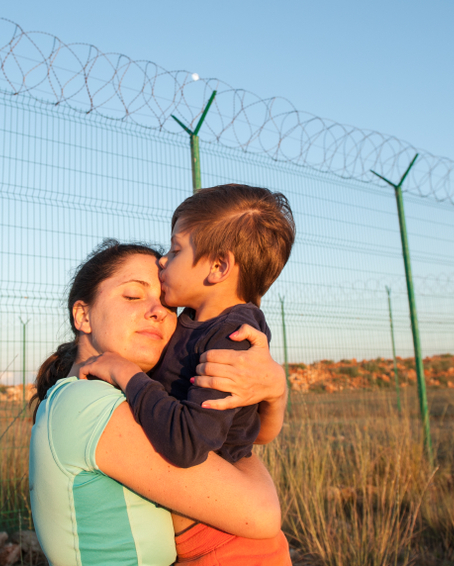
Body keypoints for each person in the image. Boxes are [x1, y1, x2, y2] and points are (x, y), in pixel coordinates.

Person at [29, 240, 288, 566]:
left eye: (168, 306)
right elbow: (261, 515)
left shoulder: (116, 399)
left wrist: (275, 390)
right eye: (133, 296)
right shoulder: (89, 404)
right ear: (83, 315)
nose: (158, 312)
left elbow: (259, 434)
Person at [80, 185, 295, 565]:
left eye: (176, 250)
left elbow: (187, 443)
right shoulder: (193, 323)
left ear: (218, 267)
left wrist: (126, 373)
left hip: (231, 548)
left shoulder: (233, 339)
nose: (163, 261)